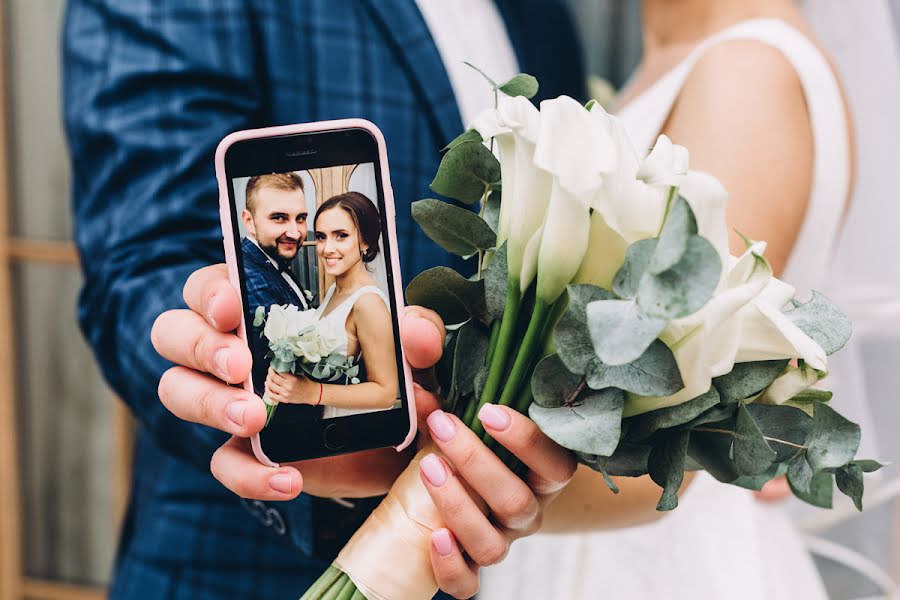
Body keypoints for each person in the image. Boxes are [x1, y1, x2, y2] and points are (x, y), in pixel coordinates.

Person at [63, 0, 585, 597]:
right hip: (236, 571)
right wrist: (226, 379)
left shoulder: (540, 14)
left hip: (463, 562)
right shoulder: (313, 292)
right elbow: (142, 261)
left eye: (335, 233)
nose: (316, 241)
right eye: (320, 231)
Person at [479, 0, 854, 598]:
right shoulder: (677, 57)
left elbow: (661, 449)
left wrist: (420, 463)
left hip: (648, 567)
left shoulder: (745, 71)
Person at [264, 192, 399, 417]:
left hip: (347, 422)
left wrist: (312, 393)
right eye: (320, 236)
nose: (327, 248)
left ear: (365, 241)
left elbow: (386, 393)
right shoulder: (336, 289)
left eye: (341, 236)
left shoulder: (368, 303)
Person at [240, 172, 311, 398]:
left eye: (300, 218)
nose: (294, 231)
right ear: (249, 222)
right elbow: (283, 366)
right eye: (279, 218)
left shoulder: (274, 261)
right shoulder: (251, 278)